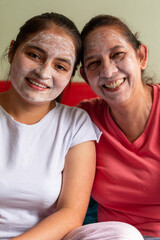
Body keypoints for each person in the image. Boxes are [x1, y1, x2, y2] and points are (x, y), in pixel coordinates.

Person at [0, 12, 102, 240]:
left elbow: (71, 213)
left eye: (61, 66)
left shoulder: (76, 123)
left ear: (71, 75)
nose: (44, 72)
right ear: (12, 50)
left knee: (121, 234)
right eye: (35, 55)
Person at [70, 14, 159, 240]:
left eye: (118, 54)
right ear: (84, 76)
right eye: (94, 63)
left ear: (141, 56)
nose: (108, 72)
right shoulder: (84, 118)